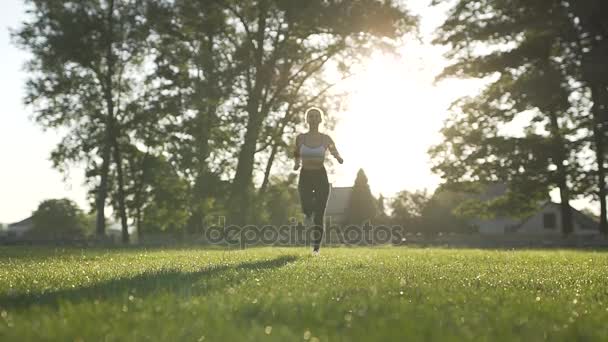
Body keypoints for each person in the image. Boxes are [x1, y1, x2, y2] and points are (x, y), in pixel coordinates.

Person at [293, 107, 343, 255]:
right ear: (307, 119)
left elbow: (334, 150)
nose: (314, 119)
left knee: (320, 214)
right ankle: (308, 213)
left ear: (320, 119)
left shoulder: (326, 138)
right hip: (305, 176)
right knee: (307, 207)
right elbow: (296, 152)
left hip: (321, 176)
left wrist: (338, 157)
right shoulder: (301, 138)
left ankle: (316, 248)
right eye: (311, 116)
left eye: (316, 116)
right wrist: (296, 163)